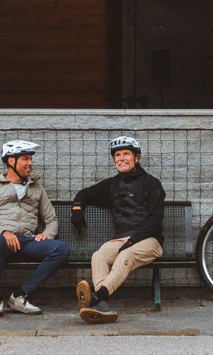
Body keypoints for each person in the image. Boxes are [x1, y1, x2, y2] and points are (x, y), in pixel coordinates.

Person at [69, 135, 166, 324]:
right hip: (122, 239)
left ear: (136, 158)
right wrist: (77, 209)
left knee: (125, 256)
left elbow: (156, 220)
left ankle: (96, 297)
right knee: (99, 256)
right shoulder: (112, 184)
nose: (121, 158)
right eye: (117, 155)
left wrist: (133, 240)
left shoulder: (152, 184)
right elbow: (85, 193)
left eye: (126, 154)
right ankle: (101, 307)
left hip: (149, 240)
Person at [0, 139, 67, 317]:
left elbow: (52, 220)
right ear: (11, 161)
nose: (30, 163)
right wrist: (4, 232)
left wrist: (46, 234)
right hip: (1, 241)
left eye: (30, 158)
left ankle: (20, 295)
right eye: (25, 158)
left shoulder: (37, 188)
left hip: (26, 241)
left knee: (61, 249)